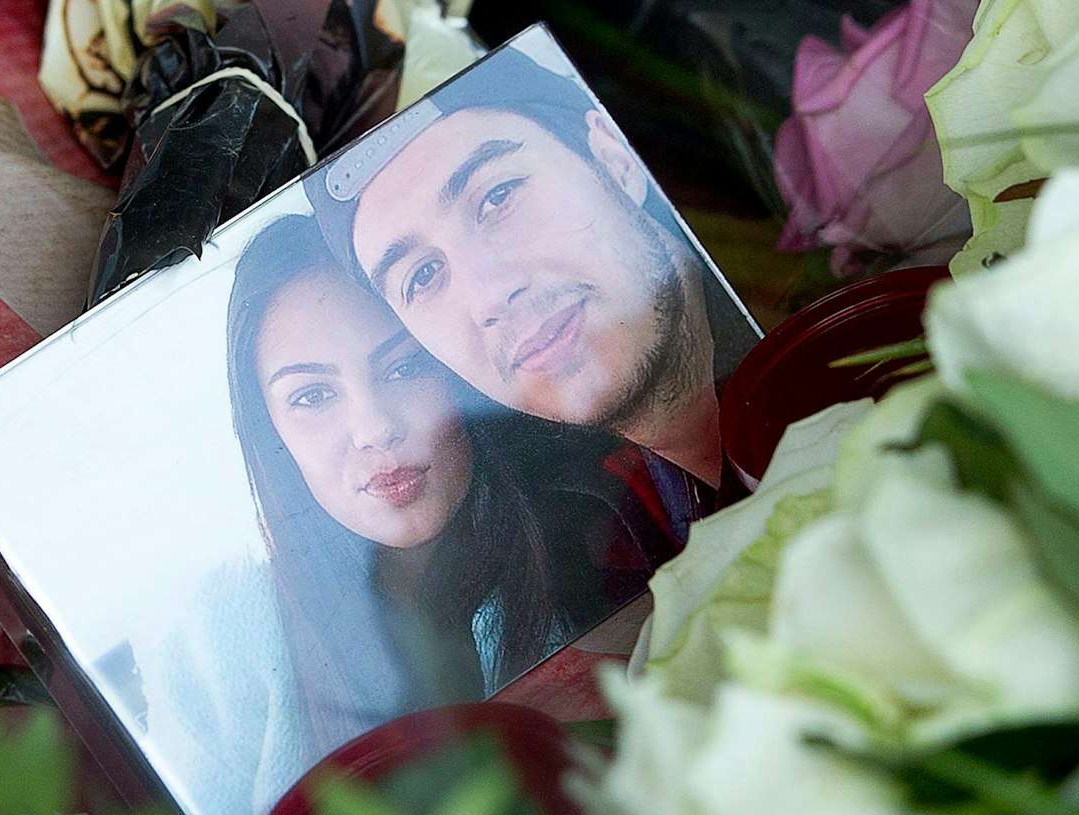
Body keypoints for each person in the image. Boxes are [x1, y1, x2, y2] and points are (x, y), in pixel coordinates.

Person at [223, 212, 675, 761]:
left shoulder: (609, 531)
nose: (374, 428)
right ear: (267, 429)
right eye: (312, 396)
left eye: (404, 368)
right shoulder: (228, 642)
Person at [310, 33, 757, 536]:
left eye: (497, 197)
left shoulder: (826, 307)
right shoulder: (615, 537)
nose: (488, 294)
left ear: (614, 158)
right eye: (423, 276)